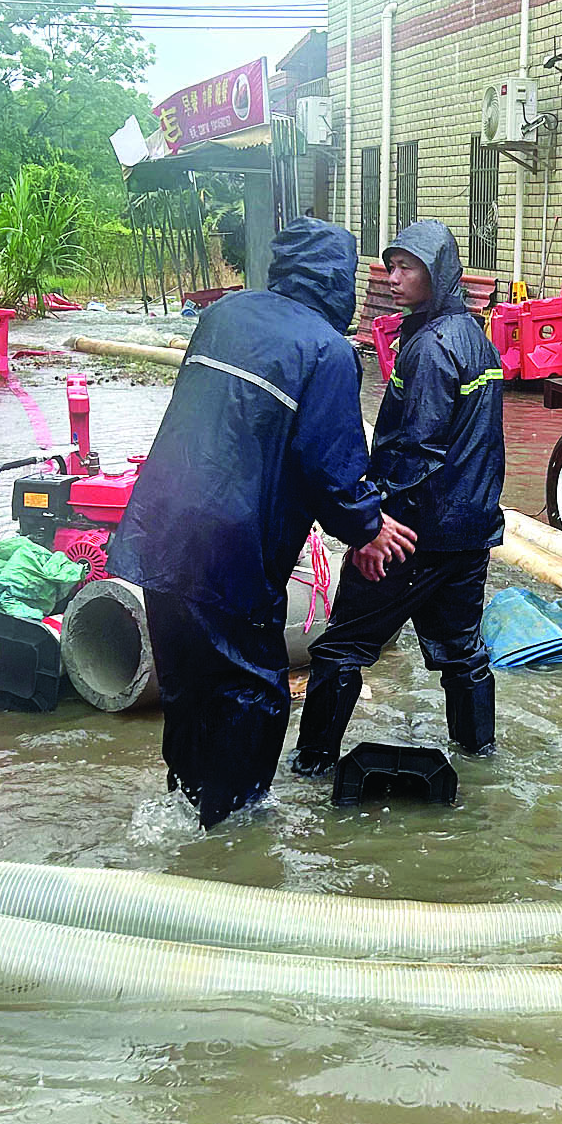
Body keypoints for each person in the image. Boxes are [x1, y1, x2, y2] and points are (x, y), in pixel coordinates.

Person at [109, 218, 417, 828]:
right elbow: (330, 462)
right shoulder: (327, 351)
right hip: (233, 555)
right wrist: (367, 528)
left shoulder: (223, 315)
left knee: (187, 687)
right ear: (336, 279)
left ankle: (184, 807)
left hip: (157, 536)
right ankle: (232, 842)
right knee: (254, 694)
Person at [291, 218, 506, 773]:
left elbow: (416, 452)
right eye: (390, 266)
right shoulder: (474, 338)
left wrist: (372, 528)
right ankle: (480, 758)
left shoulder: (430, 349)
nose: (393, 278)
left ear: (438, 274)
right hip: (469, 533)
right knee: (462, 653)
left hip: (413, 534)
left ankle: (310, 765)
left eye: (407, 267)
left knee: (342, 648)